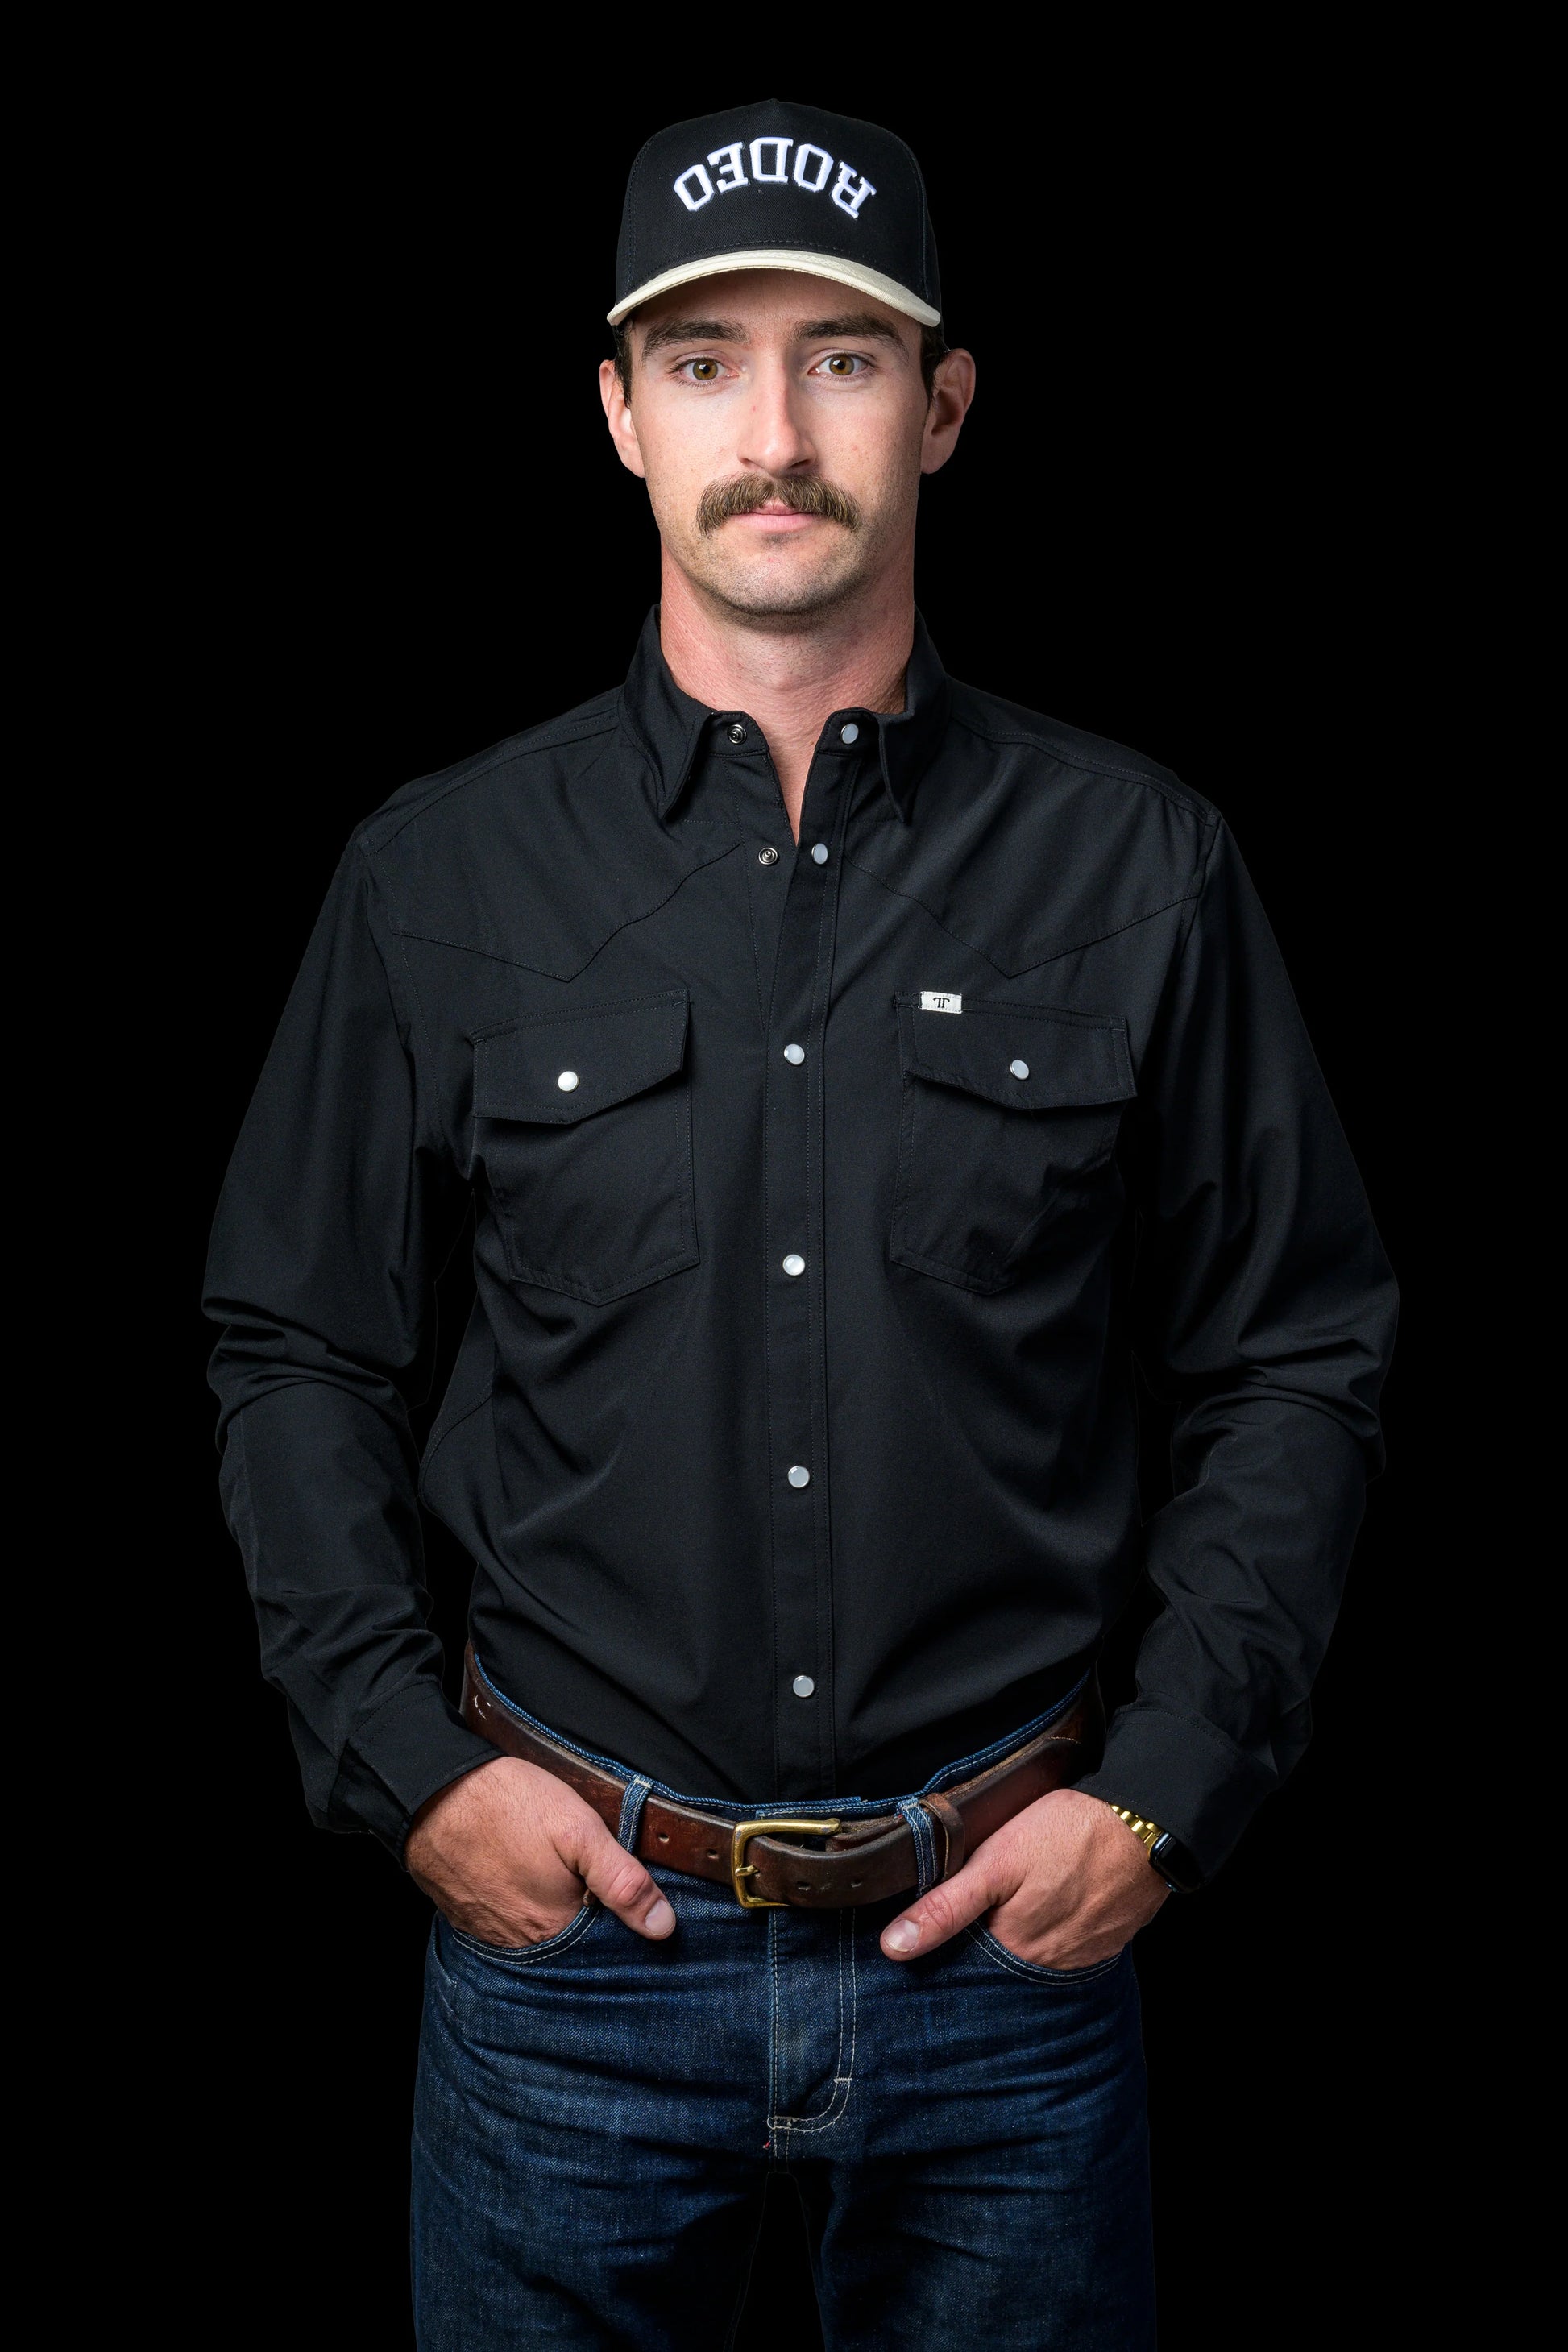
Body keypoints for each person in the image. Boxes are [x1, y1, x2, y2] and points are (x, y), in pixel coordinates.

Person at [205, 97, 1396, 2350]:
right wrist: (408, 1775)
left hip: (1007, 1969)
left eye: (842, 358)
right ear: (617, 413)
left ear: (941, 407)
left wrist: (1160, 1802)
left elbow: (1293, 1355)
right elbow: (297, 1346)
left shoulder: (1139, 868)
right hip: (572, 1973)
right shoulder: (439, 877)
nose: (774, 434)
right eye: (705, 362)